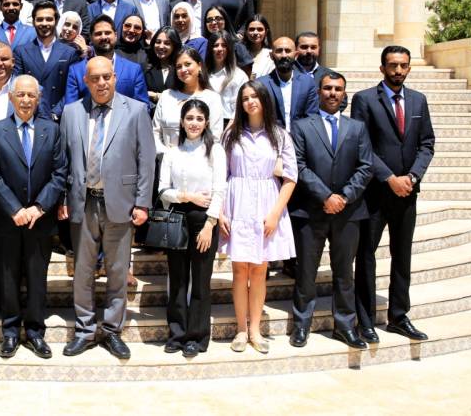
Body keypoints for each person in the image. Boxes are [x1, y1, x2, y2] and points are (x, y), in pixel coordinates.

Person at [59, 57, 155, 360]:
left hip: (120, 203)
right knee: (83, 270)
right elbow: (63, 160)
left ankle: (113, 330)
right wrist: (63, 198)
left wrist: (142, 202)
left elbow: (146, 159)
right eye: (95, 78)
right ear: (86, 81)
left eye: (106, 77)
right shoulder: (71, 112)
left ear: (114, 78)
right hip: (83, 200)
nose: (101, 83)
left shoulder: (135, 110)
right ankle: (85, 330)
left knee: (116, 270)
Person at [351, 45, 435, 343]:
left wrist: (412, 177)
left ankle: (399, 316)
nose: (398, 70)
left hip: (407, 193)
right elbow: (361, 145)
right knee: (366, 256)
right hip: (374, 193)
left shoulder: (418, 100)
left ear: (409, 68)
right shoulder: (364, 100)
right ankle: (365, 320)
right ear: (382, 68)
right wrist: (389, 178)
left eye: (403, 65)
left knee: (402, 256)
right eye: (392, 65)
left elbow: (427, 143)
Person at [0, 75, 68, 359]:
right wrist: (15, 209)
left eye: (32, 95)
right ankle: (9, 332)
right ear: (11, 97)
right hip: (7, 220)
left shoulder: (52, 130)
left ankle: (35, 332)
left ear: (39, 99)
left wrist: (39, 207)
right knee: (7, 278)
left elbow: (60, 173)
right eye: (21, 94)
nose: (26, 100)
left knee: (37, 279)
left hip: (40, 220)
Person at [289, 72, 373, 350]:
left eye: (338, 89)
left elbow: (366, 167)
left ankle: (345, 325)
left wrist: (344, 197)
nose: (333, 93)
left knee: (344, 273)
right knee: (306, 272)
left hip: (348, 213)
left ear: (344, 93)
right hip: (310, 212)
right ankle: (302, 324)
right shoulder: (301, 126)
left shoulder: (357, 128)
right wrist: (325, 195)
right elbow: (299, 165)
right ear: (319, 92)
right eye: (327, 88)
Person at [218, 79, 297, 354]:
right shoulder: (231, 134)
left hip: (267, 205)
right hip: (236, 204)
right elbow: (221, 175)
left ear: (264, 100)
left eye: (255, 96)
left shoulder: (279, 135)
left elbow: (290, 178)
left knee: (260, 270)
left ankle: (256, 330)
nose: (250, 101)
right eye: (245, 98)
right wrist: (220, 212)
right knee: (240, 270)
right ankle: (241, 329)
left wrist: (275, 214)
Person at [158, 99, 226, 357]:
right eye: (189, 118)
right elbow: (163, 190)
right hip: (177, 218)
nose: (194, 123)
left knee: (200, 281)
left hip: (204, 221)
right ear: (182, 121)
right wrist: (187, 196)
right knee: (177, 279)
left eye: (199, 118)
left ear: (206, 122)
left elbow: (219, 190)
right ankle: (177, 333)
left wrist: (210, 223)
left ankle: (196, 337)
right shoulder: (172, 152)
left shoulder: (215, 151)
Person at [13, 1, 80, 120]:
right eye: (40, 19)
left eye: (49, 19)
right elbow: (18, 87)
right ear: (33, 22)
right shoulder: (21, 52)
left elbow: (72, 88)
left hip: (59, 118)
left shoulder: (70, 53)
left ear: (56, 21)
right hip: (30, 116)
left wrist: (55, 113)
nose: (44, 23)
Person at [64, 15, 149, 107]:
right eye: (98, 34)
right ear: (91, 37)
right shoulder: (76, 71)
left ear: (115, 35)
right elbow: (71, 109)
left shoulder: (133, 70)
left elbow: (143, 107)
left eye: (107, 33)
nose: (104, 37)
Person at [152, 46, 224, 148]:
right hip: (166, 155)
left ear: (199, 66)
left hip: (200, 156)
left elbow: (214, 137)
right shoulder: (166, 96)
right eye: (179, 66)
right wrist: (166, 154)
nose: (183, 69)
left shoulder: (212, 98)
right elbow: (155, 132)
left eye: (187, 64)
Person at [258, 36, 320, 132]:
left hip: (300, 137)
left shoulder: (307, 83)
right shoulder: (261, 84)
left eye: (288, 51)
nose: (284, 55)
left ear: (296, 55)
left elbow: (311, 117)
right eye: (279, 51)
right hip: (270, 137)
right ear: (271, 55)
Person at [206, 31, 250, 128]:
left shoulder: (239, 75)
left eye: (224, 45)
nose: (219, 49)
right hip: (205, 123)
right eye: (216, 45)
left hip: (230, 124)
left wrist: (228, 130)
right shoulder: (203, 75)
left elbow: (239, 107)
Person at [145, 27, 182, 105]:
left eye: (167, 43)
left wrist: (155, 95)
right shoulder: (145, 67)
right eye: (158, 42)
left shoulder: (181, 67)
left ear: (174, 46)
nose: (161, 46)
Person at [242, 14, 275, 79]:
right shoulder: (238, 53)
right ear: (246, 32)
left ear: (266, 32)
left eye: (260, 29)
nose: (255, 33)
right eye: (252, 29)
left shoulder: (271, 55)